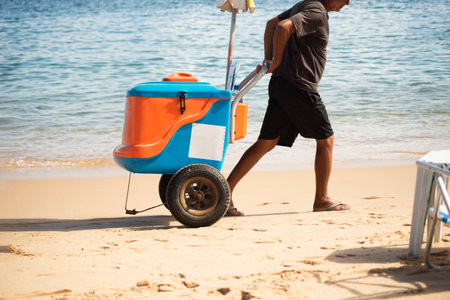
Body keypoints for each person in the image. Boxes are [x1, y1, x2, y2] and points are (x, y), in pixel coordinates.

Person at [226, 0, 351, 216]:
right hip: (299, 86)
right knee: (326, 140)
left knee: (266, 142)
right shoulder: (316, 11)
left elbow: (271, 24)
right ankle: (321, 199)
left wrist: (270, 59)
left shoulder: (306, 4)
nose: (348, 3)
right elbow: (282, 27)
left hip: (282, 84)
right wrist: (275, 60)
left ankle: (224, 193)